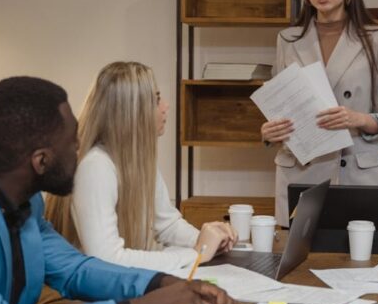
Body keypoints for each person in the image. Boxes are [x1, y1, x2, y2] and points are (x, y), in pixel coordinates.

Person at [0, 76, 234, 304]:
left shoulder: (27, 202)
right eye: (73, 142)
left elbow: (75, 270)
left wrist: (159, 284)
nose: (80, 148)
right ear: (41, 160)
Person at [260, 0, 378, 227]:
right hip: (301, 173)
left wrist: (358, 118)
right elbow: (281, 109)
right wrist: (269, 131)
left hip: (354, 172)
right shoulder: (287, 40)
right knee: (295, 267)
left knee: (356, 266)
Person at [45, 62, 236, 271]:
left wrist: (209, 241)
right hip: (88, 293)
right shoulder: (95, 167)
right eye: (156, 100)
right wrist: (195, 253)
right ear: (132, 112)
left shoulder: (136, 160)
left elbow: (167, 224)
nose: (165, 106)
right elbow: (107, 259)